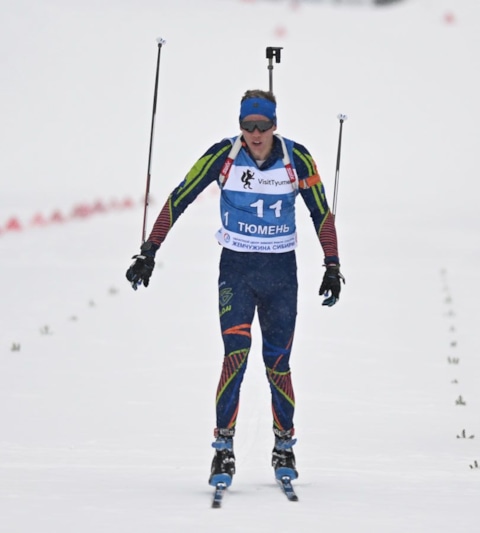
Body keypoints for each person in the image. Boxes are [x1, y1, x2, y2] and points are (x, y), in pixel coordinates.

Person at [125, 89, 343, 488]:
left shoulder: (297, 158)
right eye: (247, 126)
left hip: (281, 274)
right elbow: (180, 197)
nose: (255, 135)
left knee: (277, 362)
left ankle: (284, 446)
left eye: (262, 126)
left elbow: (321, 212)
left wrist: (333, 264)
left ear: (274, 125)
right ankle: (223, 450)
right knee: (235, 357)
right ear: (240, 126)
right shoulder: (224, 155)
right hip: (237, 270)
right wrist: (149, 251)